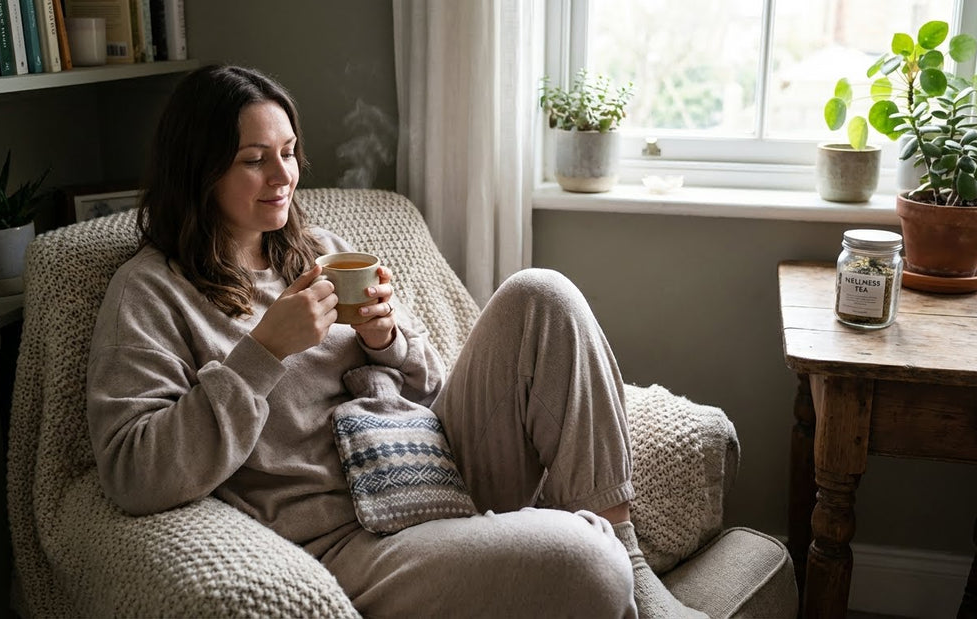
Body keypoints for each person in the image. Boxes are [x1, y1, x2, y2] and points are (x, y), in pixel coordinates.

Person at [86, 64, 704, 618]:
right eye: (255, 159)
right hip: (352, 539)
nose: (284, 176)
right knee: (586, 564)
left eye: (290, 151)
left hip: (434, 465)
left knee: (543, 293)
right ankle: (597, 562)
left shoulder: (321, 252)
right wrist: (263, 353)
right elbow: (134, 473)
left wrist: (391, 342)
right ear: (199, 169)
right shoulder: (149, 293)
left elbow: (434, 386)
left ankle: (632, 560)